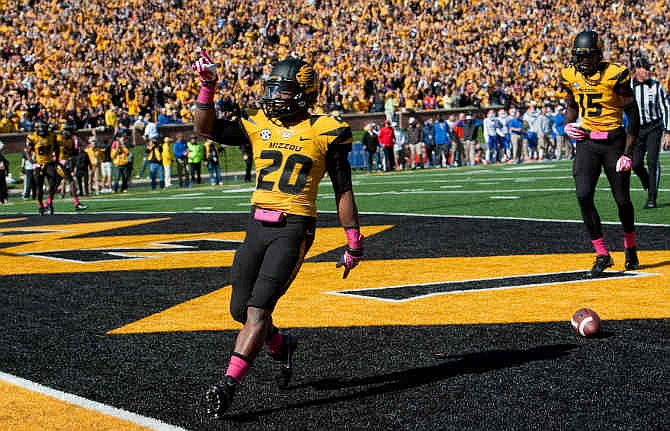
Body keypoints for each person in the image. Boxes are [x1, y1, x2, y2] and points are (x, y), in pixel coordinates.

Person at [192, 52, 364, 418]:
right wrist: (208, 88)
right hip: (257, 224)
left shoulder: (327, 131)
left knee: (257, 311)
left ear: (303, 93)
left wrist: (353, 240)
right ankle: (282, 345)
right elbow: (205, 129)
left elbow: (342, 189)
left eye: (282, 91)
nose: (274, 98)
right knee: (240, 309)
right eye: (272, 90)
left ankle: (228, 384)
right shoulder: (258, 124)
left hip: (293, 227)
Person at [560, 30, 640, 275]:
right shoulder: (569, 74)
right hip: (587, 141)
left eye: (588, 56)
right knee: (583, 195)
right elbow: (572, 106)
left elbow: (633, 116)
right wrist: (568, 124)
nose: (583, 61)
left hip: (614, 141)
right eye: (579, 56)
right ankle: (602, 254)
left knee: (622, 200)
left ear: (598, 55)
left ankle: (630, 246)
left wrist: (628, 153)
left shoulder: (615, 75)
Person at [630, 55, 670, 209]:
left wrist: (668, 131)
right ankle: (647, 181)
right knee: (635, 164)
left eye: (648, 69)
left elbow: (666, 108)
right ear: (637, 70)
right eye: (644, 69)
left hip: (654, 128)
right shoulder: (629, 87)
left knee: (652, 161)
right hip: (637, 130)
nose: (647, 72)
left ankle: (652, 196)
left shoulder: (656, 86)